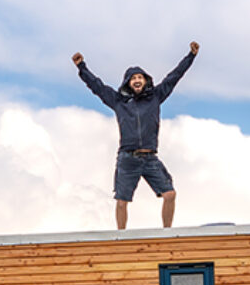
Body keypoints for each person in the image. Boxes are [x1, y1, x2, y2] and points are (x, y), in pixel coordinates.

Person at [73, 42, 199, 229]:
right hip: (128, 158)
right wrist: (82, 67)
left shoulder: (155, 97)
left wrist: (191, 55)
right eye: (133, 78)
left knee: (170, 194)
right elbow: (97, 87)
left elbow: (174, 77)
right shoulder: (118, 101)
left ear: (145, 81)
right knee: (122, 201)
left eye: (140, 77)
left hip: (150, 158)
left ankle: (167, 232)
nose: (137, 80)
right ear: (128, 83)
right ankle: (121, 236)